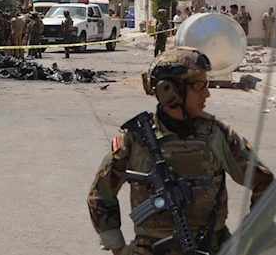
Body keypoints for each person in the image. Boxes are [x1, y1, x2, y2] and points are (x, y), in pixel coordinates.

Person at [87, 46, 274, 255]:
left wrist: (247, 240)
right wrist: (118, 247)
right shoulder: (135, 138)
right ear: (169, 90)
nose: (207, 93)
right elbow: (100, 193)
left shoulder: (217, 134)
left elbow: (265, 184)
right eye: (198, 85)